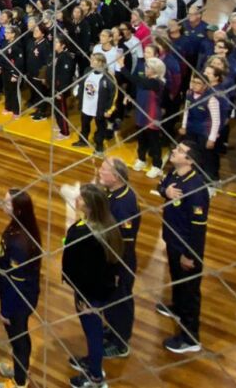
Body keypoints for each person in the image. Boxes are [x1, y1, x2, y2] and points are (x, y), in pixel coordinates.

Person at [63, 184, 122, 388]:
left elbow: (87, 272)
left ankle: (95, 375)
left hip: (89, 294)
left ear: (89, 206)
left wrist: (86, 300)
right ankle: (91, 360)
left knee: (93, 331)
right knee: (93, 329)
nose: (77, 199)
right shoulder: (107, 225)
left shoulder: (87, 235)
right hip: (98, 290)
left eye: (81, 198)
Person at [157, 140, 209, 353]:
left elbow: (198, 229)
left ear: (190, 160)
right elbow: (160, 185)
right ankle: (176, 307)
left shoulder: (196, 189)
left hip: (186, 248)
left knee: (190, 292)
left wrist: (190, 255)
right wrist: (166, 192)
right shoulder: (174, 174)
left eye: (179, 151)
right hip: (172, 240)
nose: (174, 151)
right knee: (176, 278)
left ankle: (190, 338)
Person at [0, 189, 41, 388]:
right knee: (19, 336)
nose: (2, 204)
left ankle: (19, 381)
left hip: (18, 300)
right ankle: (21, 369)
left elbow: (17, 284)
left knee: (18, 338)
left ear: (18, 210)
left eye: (7, 203)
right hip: (17, 293)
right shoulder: (19, 227)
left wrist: (6, 310)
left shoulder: (20, 242)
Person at [97, 159, 139, 360]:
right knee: (112, 301)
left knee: (120, 302)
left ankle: (120, 343)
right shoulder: (113, 193)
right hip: (111, 259)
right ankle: (114, 330)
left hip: (119, 262)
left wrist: (114, 269)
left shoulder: (123, 204)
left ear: (115, 177)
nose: (99, 171)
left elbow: (124, 243)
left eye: (104, 169)